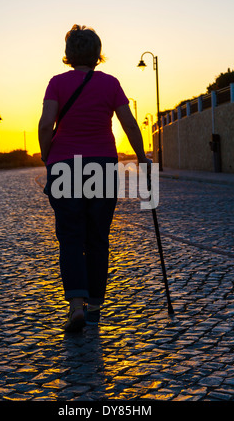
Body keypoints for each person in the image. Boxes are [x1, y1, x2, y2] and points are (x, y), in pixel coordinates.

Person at [38, 24, 151, 332]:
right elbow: (128, 124)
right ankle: (95, 308)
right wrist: (142, 158)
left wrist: (48, 155)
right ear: (98, 54)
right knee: (98, 238)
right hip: (101, 166)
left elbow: (47, 124)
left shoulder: (57, 83)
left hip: (64, 166)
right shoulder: (111, 83)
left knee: (71, 238)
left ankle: (76, 305)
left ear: (68, 54)